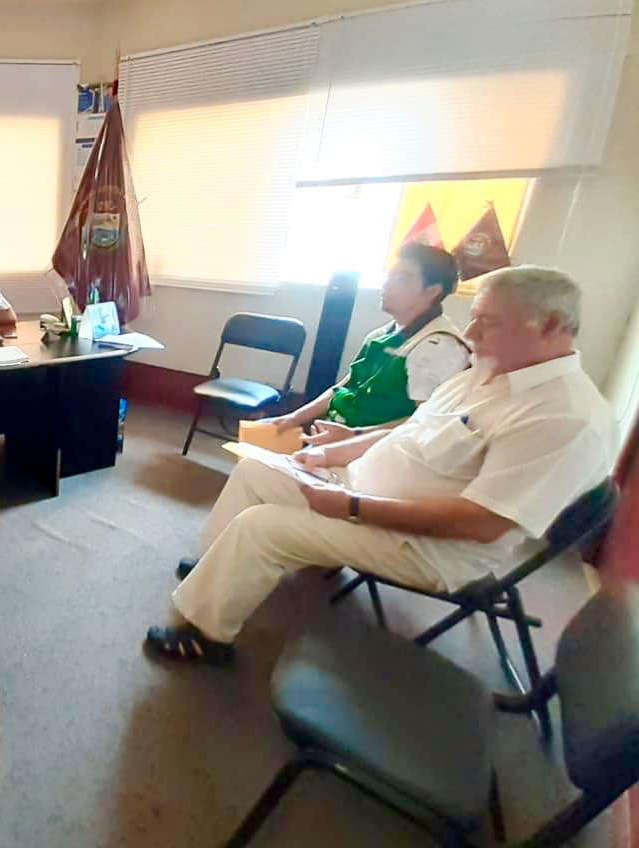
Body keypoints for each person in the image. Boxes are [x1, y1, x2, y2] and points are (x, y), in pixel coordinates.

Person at [146, 266, 615, 664]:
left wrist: (351, 506)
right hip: (361, 489)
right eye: (474, 318)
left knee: (262, 527)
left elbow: (482, 522)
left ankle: (207, 636)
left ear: (552, 326)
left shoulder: (563, 417)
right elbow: (410, 430)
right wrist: (337, 450)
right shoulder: (487, 371)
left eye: (488, 323)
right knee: (256, 470)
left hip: (425, 545)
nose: (471, 334)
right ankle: (218, 572)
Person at [268, 243, 470, 444]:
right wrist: (294, 418)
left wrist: (354, 436)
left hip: (371, 453)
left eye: (402, 278)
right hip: (333, 438)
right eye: (389, 275)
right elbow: (345, 386)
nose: (387, 284)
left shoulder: (436, 348)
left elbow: (423, 425)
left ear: (432, 291)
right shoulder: (381, 334)